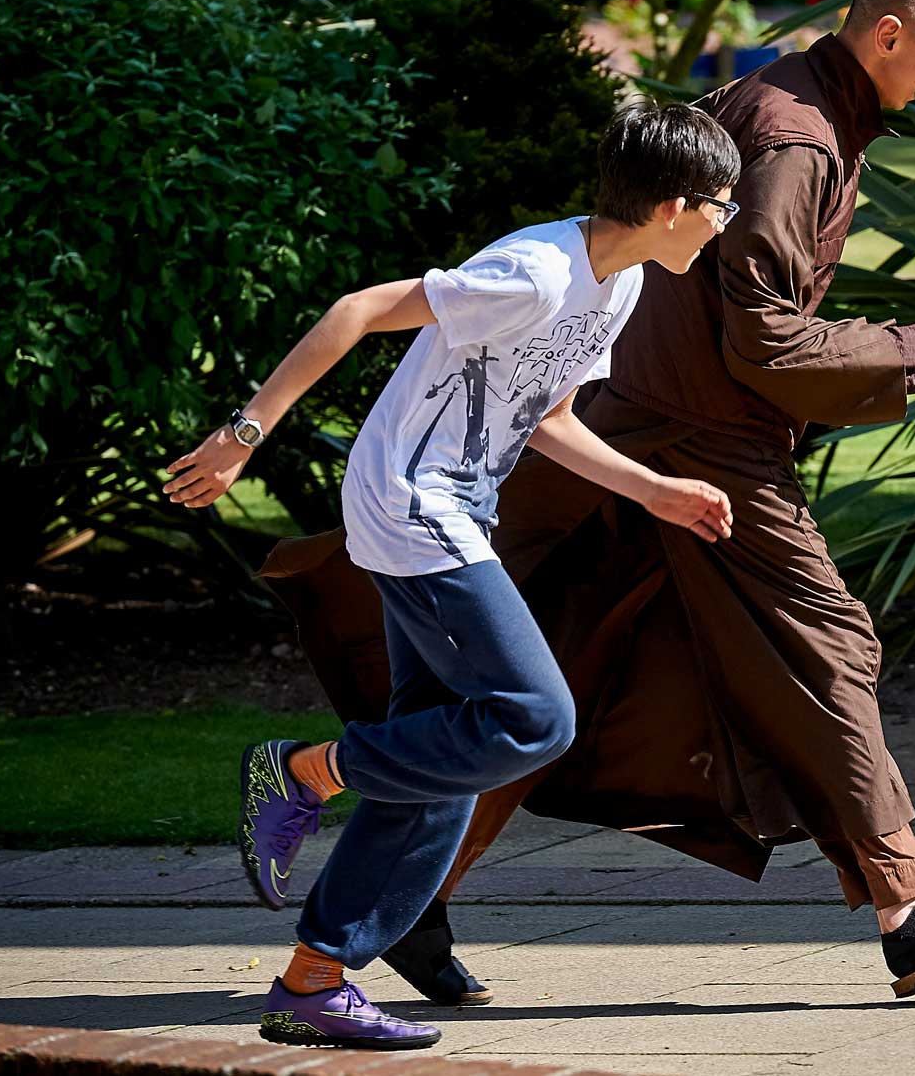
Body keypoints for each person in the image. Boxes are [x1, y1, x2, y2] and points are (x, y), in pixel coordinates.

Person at [263, 0, 915, 1005]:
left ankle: (408, 899)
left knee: (552, 674)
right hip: (698, 436)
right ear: (887, 35)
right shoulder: (798, 136)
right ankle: (908, 913)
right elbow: (763, 339)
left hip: (627, 424)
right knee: (823, 644)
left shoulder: (791, 97)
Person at [163, 102, 744, 1050]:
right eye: (721, 206)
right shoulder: (534, 272)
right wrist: (244, 434)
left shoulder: (621, 285)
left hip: (459, 505)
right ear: (675, 203)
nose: (726, 224)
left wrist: (653, 490)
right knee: (533, 716)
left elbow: (544, 413)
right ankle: (304, 771)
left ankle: (312, 982)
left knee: (447, 765)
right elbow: (358, 311)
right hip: (409, 499)